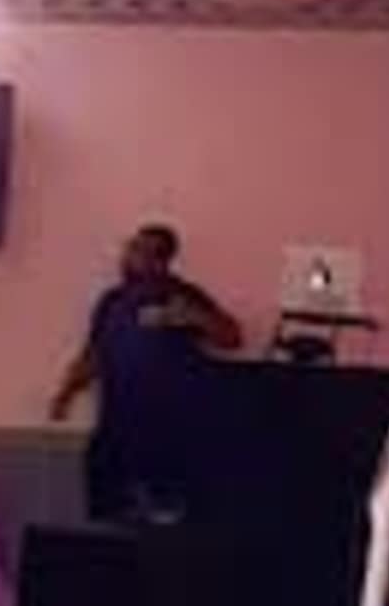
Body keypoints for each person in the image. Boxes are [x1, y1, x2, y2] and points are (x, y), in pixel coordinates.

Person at [50, 223, 245, 522]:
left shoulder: (182, 295)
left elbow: (232, 338)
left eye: (139, 251)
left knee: (161, 531)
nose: (128, 256)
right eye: (129, 248)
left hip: (166, 437)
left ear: (160, 261)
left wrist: (193, 317)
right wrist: (64, 393)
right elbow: (93, 354)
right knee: (104, 519)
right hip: (115, 432)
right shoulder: (111, 301)